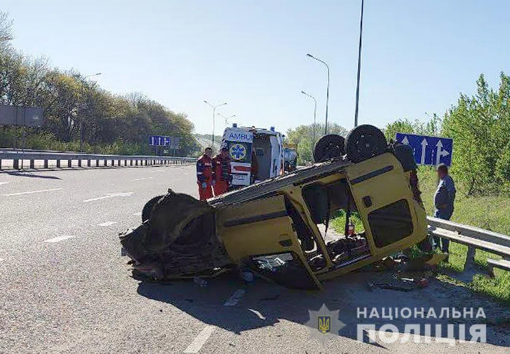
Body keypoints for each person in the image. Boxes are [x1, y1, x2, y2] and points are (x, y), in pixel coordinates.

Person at [433, 163, 456, 253]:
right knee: (434, 227)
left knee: (443, 230)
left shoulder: (448, 179)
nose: (437, 174)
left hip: (445, 209)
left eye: (438, 172)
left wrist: (447, 203)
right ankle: (435, 248)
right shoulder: (442, 180)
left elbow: (452, 192)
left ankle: (444, 251)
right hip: (439, 209)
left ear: (441, 171)